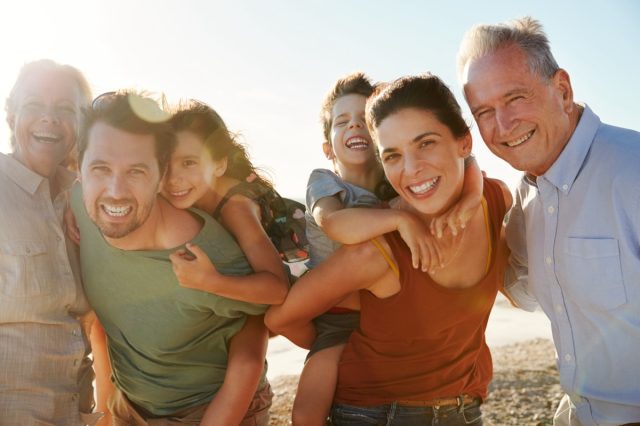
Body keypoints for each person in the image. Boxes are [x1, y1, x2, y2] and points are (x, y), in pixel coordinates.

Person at [266, 74, 512, 425]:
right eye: (394, 154)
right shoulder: (370, 240)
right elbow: (282, 315)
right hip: (374, 410)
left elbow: (475, 172)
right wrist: (340, 347)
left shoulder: (493, 199)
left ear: (464, 142)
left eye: (426, 143)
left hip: (465, 410)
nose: (411, 169)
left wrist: (472, 196)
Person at [458, 16, 640, 426]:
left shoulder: (633, 171)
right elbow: (527, 296)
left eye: (515, 98)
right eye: (484, 111)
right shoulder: (526, 199)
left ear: (562, 89)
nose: (503, 126)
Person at [69, 91, 271, 425]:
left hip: (212, 409)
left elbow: (256, 332)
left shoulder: (205, 258)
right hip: (130, 404)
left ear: (161, 176)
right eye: (100, 168)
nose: (115, 190)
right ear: (79, 171)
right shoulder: (80, 203)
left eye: (136, 171)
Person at [162, 100, 290, 424]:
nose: (173, 178)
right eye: (166, 163)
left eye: (190, 162)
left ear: (219, 164)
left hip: (296, 292)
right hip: (250, 298)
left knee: (245, 365)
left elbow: (278, 289)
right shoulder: (190, 192)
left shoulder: (236, 207)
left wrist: (209, 282)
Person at [0, 59, 100, 425]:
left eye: (64, 109)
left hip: (78, 411)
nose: (49, 119)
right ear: (10, 115)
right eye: (34, 106)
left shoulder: (91, 201)